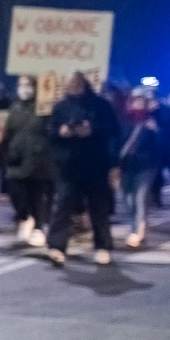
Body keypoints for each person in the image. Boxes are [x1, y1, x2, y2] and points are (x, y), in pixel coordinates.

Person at [45, 71, 121, 265]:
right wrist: (61, 131)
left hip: (95, 164)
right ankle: (56, 245)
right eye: (71, 84)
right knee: (63, 205)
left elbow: (114, 130)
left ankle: (103, 246)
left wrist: (92, 130)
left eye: (77, 84)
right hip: (68, 166)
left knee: (98, 207)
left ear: (84, 84)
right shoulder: (61, 107)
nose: (73, 87)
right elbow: (50, 132)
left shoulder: (101, 105)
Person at [2, 74, 55, 247]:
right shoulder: (15, 108)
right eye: (21, 84)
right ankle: (25, 218)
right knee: (15, 191)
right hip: (16, 160)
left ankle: (38, 228)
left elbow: (51, 133)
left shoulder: (44, 109)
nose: (24, 88)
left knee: (36, 196)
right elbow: (8, 133)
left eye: (28, 85)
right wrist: (4, 151)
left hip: (38, 160)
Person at [120, 87, 164, 248]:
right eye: (135, 100)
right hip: (126, 165)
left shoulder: (152, 120)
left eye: (141, 100)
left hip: (147, 165)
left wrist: (156, 130)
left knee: (139, 197)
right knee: (127, 198)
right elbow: (116, 141)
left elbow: (163, 143)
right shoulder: (124, 120)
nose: (138, 103)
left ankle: (136, 231)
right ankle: (140, 222)